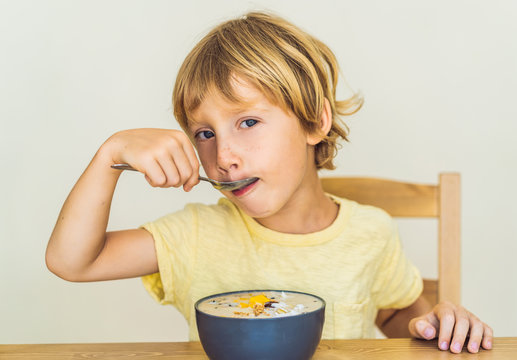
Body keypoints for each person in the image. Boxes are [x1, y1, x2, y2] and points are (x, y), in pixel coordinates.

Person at [46, 11, 492, 353]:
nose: (223, 157)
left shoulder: (370, 232)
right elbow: (73, 262)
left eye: (248, 121)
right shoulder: (195, 234)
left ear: (315, 122)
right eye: (205, 134)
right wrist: (111, 153)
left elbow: (394, 310)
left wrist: (430, 327)